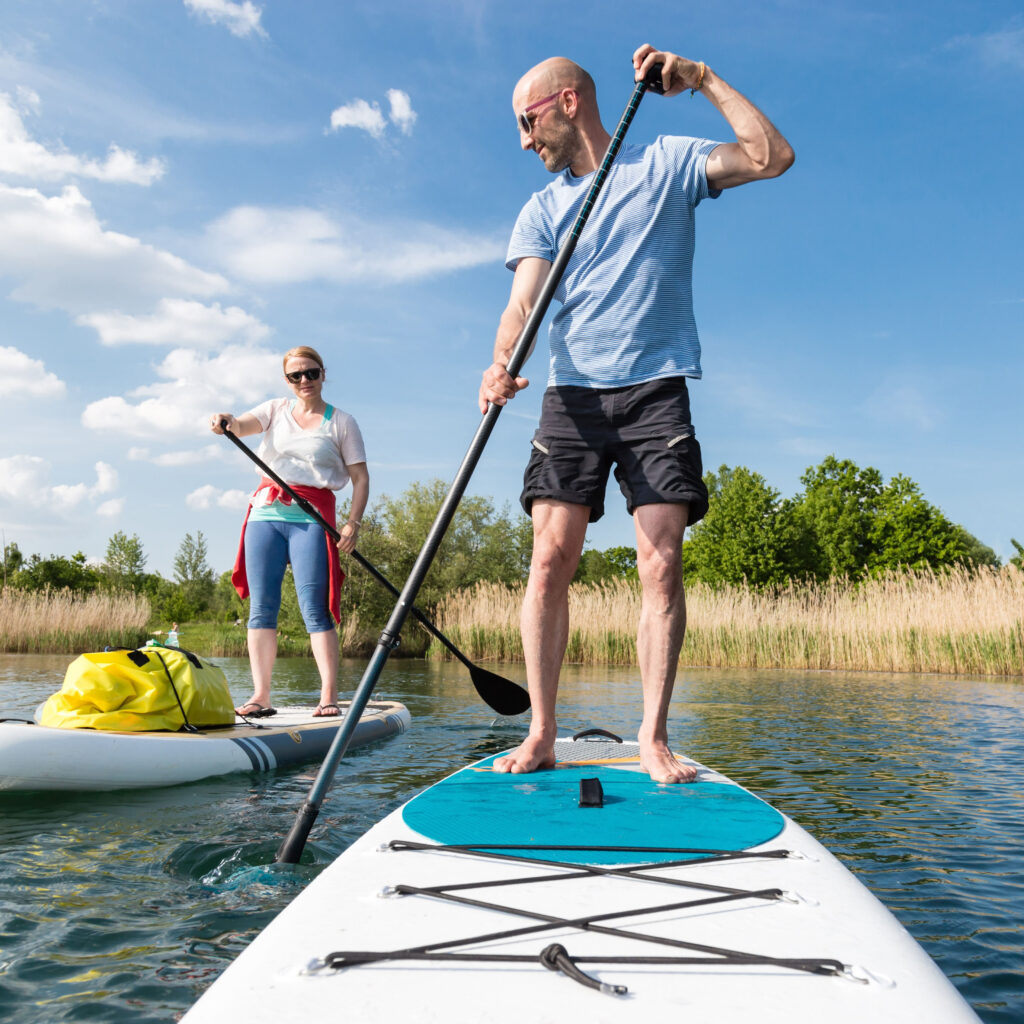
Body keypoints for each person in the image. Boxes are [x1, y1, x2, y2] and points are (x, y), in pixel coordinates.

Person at [479, 45, 794, 782]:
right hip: (572, 396)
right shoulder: (545, 206)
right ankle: (543, 733)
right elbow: (522, 303)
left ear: (564, 101)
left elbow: (771, 156)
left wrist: (704, 79)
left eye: (526, 122)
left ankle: (652, 737)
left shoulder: (666, 166)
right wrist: (501, 363)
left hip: (655, 390)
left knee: (660, 565)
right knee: (550, 561)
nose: (525, 142)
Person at [210, 346, 369, 718]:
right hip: (264, 515)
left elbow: (360, 479)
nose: (304, 381)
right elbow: (240, 425)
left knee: (315, 609)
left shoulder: (342, 422)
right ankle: (261, 696)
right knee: (261, 609)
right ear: (287, 380)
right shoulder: (275, 409)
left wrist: (353, 523)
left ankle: (328, 696)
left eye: (311, 373)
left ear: (323, 374)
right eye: (295, 376)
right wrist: (225, 421)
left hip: (311, 519)